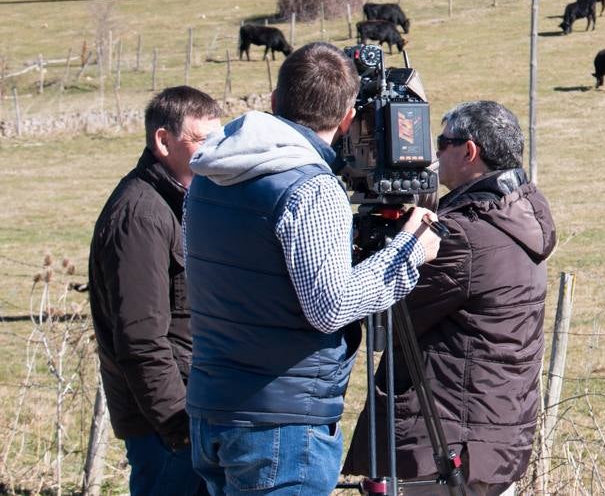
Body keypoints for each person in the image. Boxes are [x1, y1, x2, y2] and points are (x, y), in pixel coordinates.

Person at [183, 42, 442, 496]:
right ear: (347, 118)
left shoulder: (209, 174)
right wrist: (410, 250)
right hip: (281, 424)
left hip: (214, 406)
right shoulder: (310, 188)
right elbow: (331, 305)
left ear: (273, 101)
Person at [343, 100, 557, 496]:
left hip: (447, 443)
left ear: (469, 151)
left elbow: (387, 312)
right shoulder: (516, 216)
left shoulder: (463, 236)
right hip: (493, 435)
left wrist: (396, 248)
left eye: (442, 144)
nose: (432, 155)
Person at [88, 86, 223, 496]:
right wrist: (178, 428)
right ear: (163, 141)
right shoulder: (140, 215)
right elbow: (140, 339)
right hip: (165, 429)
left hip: (189, 415)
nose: (214, 152)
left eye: (219, 140)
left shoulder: (182, 201)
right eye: (202, 141)